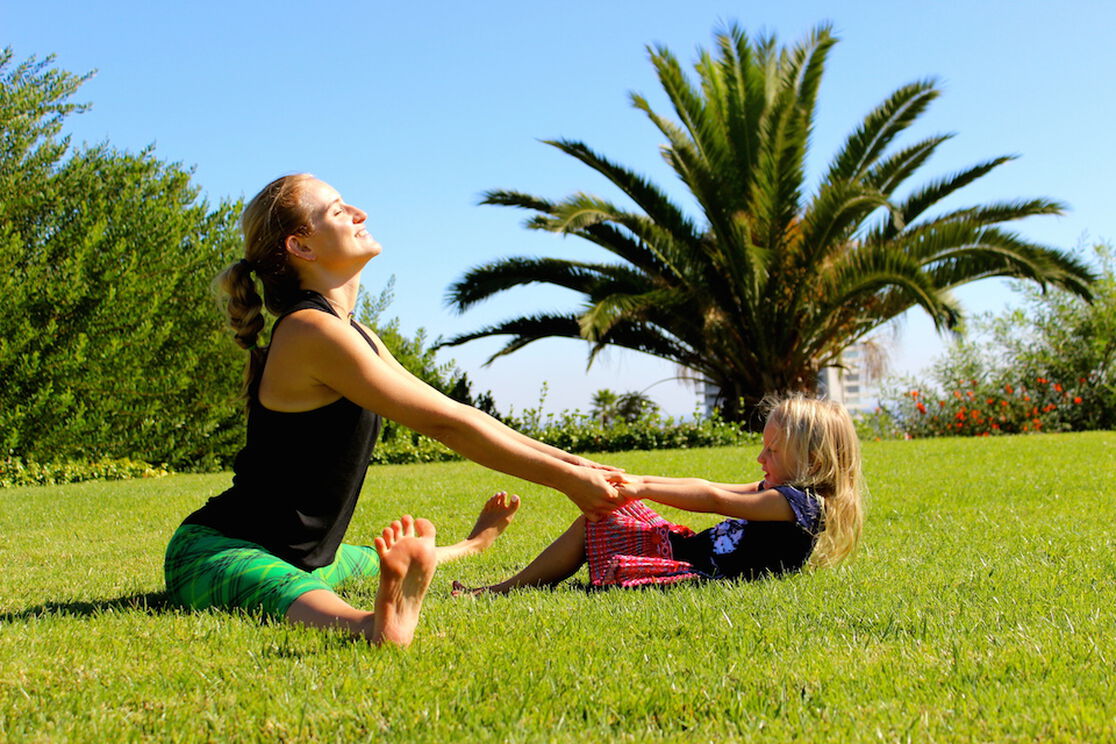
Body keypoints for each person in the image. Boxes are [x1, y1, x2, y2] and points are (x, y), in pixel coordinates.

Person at [164, 174, 622, 646]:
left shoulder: (352, 330)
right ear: (300, 246)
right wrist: (568, 482)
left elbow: (457, 410)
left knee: (353, 559)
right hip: (221, 551)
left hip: (308, 554)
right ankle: (374, 625)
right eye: (338, 211)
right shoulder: (308, 330)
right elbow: (444, 425)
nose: (359, 213)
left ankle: (469, 546)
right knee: (292, 590)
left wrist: (576, 465)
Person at [453, 395, 864, 594]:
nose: (761, 457)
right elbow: (712, 487)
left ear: (811, 458)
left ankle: (505, 589)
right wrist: (633, 482)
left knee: (597, 518)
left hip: (697, 570)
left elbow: (715, 499)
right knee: (608, 511)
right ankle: (509, 586)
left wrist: (642, 487)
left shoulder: (796, 505)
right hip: (688, 551)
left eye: (772, 450)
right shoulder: (783, 491)